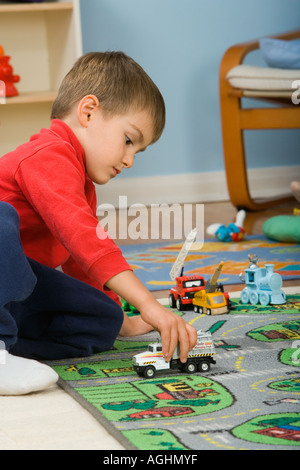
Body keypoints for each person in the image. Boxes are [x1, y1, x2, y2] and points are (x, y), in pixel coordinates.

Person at [0, 52, 197, 395]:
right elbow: (85, 238)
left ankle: (12, 348)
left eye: (138, 151)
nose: (129, 160)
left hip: (16, 292)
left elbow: (82, 261)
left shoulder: (82, 180)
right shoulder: (47, 155)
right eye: (128, 140)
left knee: (104, 319)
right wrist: (150, 304)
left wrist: (124, 317)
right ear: (88, 111)